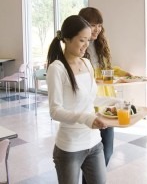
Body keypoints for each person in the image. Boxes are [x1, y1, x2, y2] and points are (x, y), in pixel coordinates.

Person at [47, 15, 113, 184]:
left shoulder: (86, 63)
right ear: (67, 39)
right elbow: (55, 111)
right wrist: (86, 118)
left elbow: (91, 99)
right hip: (69, 147)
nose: (87, 45)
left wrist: (115, 102)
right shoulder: (57, 68)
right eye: (82, 40)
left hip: (94, 142)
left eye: (88, 40)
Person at [79, 7, 131, 169]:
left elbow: (107, 69)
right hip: (89, 107)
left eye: (99, 25)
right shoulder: (79, 47)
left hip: (107, 105)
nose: (97, 29)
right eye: (93, 25)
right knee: (89, 157)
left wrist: (124, 73)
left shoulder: (101, 45)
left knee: (107, 152)